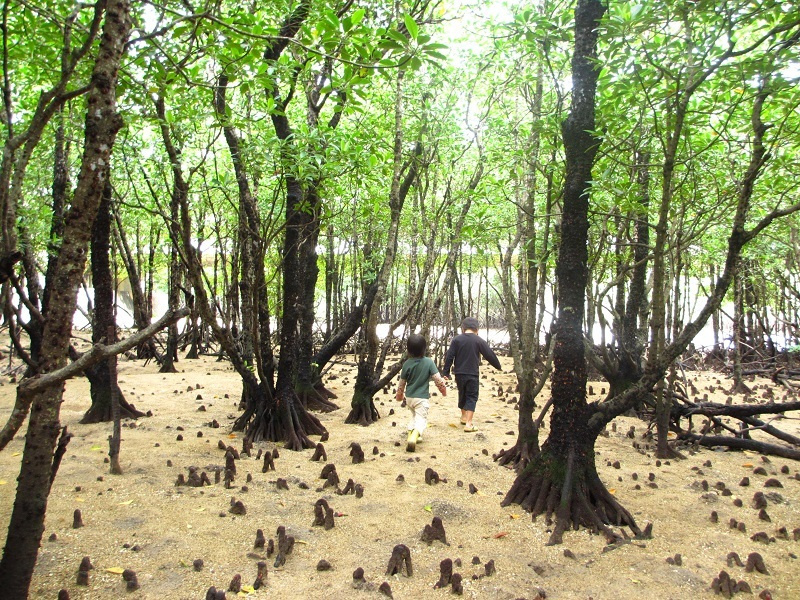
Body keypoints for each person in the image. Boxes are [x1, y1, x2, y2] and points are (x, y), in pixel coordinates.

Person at [442, 317, 502, 432]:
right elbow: (489, 354)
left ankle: (464, 416)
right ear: (477, 329)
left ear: (463, 329)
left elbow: (449, 356)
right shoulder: (478, 340)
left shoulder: (456, 340)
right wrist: (498, 366)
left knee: (462, 393)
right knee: (472, 396)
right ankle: (469, 423)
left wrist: (446, 372)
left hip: (459, 373)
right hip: (472, 374)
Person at [395, 333, 447, 452]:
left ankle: (410, 435)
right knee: (421, 419)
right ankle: (414, 436)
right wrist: (443, 390)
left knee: (414, 416)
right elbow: (438, 380)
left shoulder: (406, 364)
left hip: (409, 398)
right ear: (425, 349)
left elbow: (401, 383)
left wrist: (399, 395)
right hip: (421, 398)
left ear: (408, 350)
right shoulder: (429, 362)